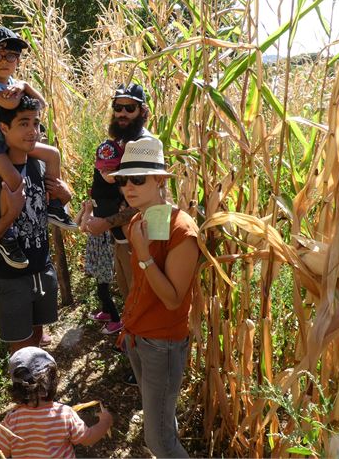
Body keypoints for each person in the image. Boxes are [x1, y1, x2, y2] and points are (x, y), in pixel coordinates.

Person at [111, 135, 200, 458]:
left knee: (159, 441)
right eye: (124, 181)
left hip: (162, 343)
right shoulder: (138, 221)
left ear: (160, 179)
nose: (128, 188)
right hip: (137, 336)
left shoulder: (181, 231)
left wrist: (145, 254)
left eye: (138, 179)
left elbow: (173, 300)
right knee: (161, 422)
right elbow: (142, 287)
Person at [0, 26, 76, 269]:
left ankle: (54, 206)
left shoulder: (13, 82)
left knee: (52, 155)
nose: (4, 61)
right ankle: (6, 237)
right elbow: (11, 103)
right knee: (14, 178)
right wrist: (21, 89)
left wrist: (25, 83)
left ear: (17, 60)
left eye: (11, 56)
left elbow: (41, 103)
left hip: (8, 142)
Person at [0, 96, 71, 352]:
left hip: (42, 270)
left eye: (36, 123)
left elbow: (51, 213)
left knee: (37, 342)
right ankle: (28, 393)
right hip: (11, 279)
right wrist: (9, 214)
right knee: (23, 354)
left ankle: (42, 393)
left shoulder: (39, 165)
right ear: (4, 128)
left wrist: (65, 197)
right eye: (23, 123)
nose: (33, 131)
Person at [84, 82, 153, 383]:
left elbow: (143, 202)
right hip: (122, 235)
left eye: (130, 108)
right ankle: (135, 356)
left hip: (143, 235)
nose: (122, 113)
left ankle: (146, 366)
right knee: (129, 294)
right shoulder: (121, 143)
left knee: (143, 296)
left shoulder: (145, 145)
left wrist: (106, 222)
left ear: (142, 111)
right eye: (118, 107)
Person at [0, 347, 113, 458]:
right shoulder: (65, 414)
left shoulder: (12, 419)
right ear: (53, 382)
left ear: (16, 388)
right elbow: (88, 438)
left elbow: (2, 451)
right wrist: (105, 422)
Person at [81, 140, 125, 335]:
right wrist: (87, 212)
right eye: (101, 169)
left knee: (106, 286)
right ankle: (108, 312)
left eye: (111, 168)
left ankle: (118, 320)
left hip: (116, 241)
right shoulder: (98, 185)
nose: (105, 173)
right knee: (102, 284)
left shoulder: (126, 187)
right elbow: (82, 224)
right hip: (102, 241)